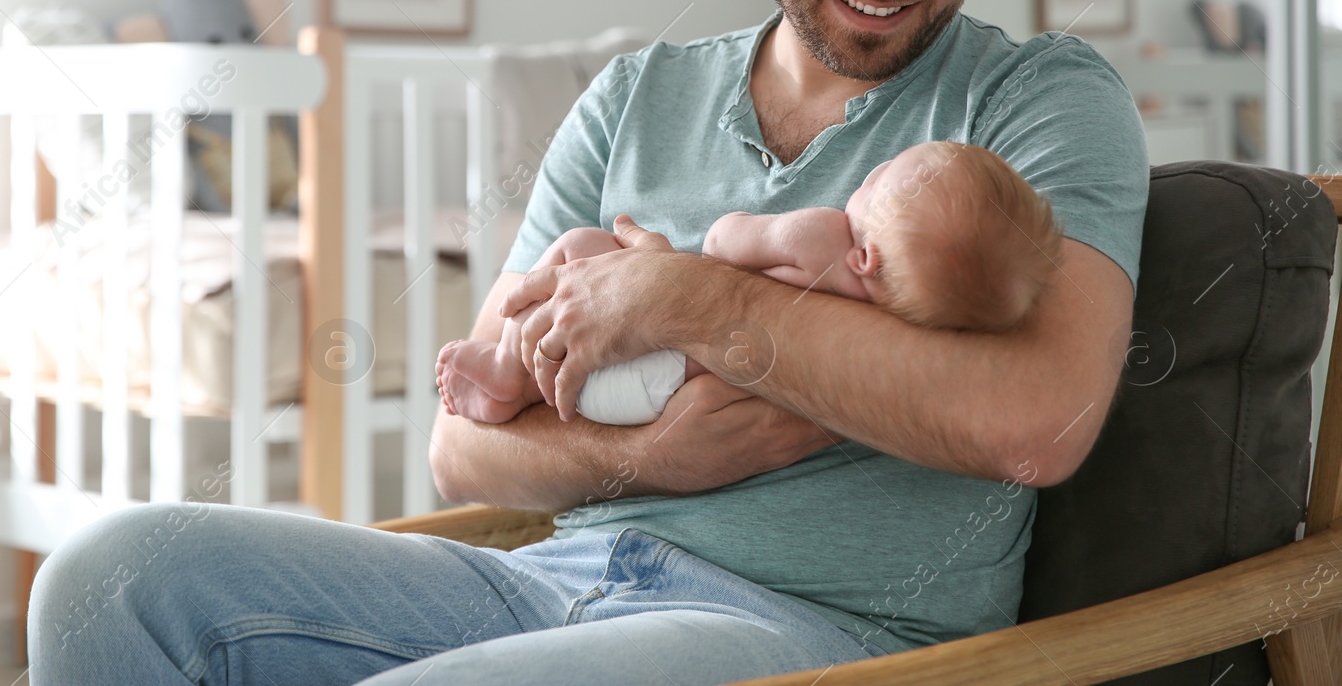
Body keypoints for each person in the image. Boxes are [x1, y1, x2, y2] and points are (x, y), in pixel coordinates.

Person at [28, 0, 1148, 685]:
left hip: (823, 632)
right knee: (109, 578)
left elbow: (1035, 423)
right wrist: (645, 459)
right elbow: (464, 447)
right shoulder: (634, 96)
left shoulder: (1037, 103)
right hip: (553, 579)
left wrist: (684, 298)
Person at [435, 141, 1063, 427]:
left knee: (582, 251)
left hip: (649, 368)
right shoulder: (898, 324)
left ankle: (507, 372)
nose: (871, 173)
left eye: (884, 177)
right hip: (658, 399)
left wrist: (656, 265)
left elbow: (719, 244)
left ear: (867, 258)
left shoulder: (824, 236)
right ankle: (513, 387)